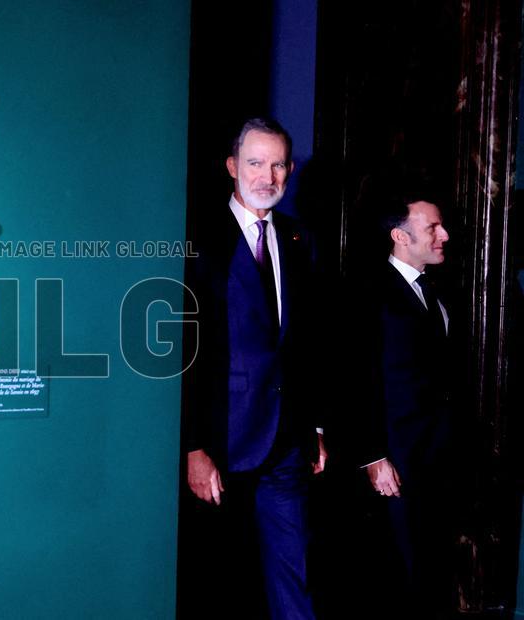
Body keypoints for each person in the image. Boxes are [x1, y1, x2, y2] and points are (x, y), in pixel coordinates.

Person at [180, 118, 326, 620]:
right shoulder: (197, 238)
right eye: (256, 163)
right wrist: (193, 447)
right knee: (223, 577)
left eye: (278, 165)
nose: (268, 177)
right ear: (231, 166)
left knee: (294, 573)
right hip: (223, 441)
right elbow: (184, 351)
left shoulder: (299, 238)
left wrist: (314, 428)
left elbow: (307, 345)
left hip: (286, 442)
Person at [349, 183, 460, 617]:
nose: (444, 234)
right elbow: (356, 379)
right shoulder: (369, 291)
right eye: (432, 227)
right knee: (399, 573)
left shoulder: (439, 288)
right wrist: (373, 455)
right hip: (396, 459)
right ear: (400, 236)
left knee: (432, 568)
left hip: (438, 457)